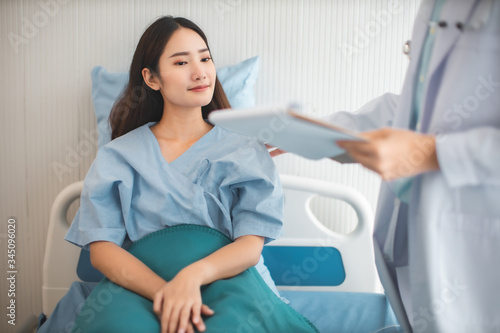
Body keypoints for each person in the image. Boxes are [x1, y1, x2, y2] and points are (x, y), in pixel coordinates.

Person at [275, 0, 500, 332]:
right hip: (418, 233)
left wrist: (432, 152)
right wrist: (314, 132)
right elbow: (414, 108)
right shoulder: (436, 8)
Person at [64, 16, 285, 333]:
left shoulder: (246, 149)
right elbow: (102, 250)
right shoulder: (119, 156)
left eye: (205, 58)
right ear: (152, 78)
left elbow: (250, 245)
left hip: (231, 284)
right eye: (181, 62)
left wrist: (190, 277)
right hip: (140, 289)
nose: (200, 72)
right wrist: (166, 293)